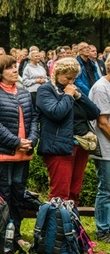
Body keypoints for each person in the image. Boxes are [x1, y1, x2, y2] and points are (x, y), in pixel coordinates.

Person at [0, 55, 39, 249]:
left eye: (15, 67)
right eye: (10, 68)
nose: (15, 70)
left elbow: (32, 120)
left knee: (18, 195)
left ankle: (16, 234)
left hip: (23, 153)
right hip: (1, 154)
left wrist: (31, 140)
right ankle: (1, 234)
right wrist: (15, 142)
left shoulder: (23, 92)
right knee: (2, 195)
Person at [36, 57, 100, 203]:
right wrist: (68, 96)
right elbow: (56, 113)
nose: (71, 82)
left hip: (80, 145)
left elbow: (94, 113)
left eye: (74, 78)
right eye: (68, 78)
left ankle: (71, 224)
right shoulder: (45, 90)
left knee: (74, 192)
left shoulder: (73, 89)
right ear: (57, 74)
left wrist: (79, 96)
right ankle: (57, 225)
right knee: (60, 193)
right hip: (58, 146)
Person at [90, 60, 110, 243]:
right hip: (105, 148)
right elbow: (102, 122)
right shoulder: (101, 88)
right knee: (106, 189)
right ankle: (103, 229)